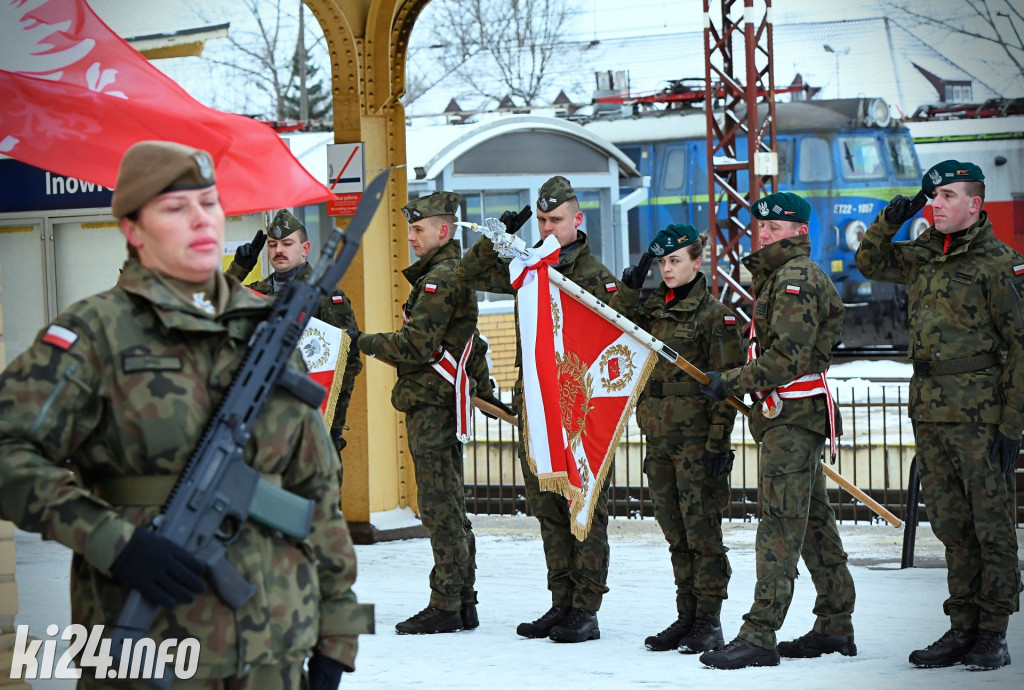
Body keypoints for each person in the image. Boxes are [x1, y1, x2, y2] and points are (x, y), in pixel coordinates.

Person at [0, 140, 372, 688]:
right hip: (148, 655)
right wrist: (112, 541)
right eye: (176, 208)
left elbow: (313, 489)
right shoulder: (95, 333)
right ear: (133, 228)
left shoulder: (267, 329)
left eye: (209, 203)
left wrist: (339, 634)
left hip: (275, 653)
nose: (201, 220)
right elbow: (9, 454)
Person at [856, 160, 1023, 671]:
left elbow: (1019, 347)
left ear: (976, 204)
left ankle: (993, 632)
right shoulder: (924, 255)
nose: (937, 204)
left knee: (990, 527)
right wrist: (891, 218)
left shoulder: (1000, 263)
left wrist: (1012, 425)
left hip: (981, 416)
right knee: (951, 527)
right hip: (929, 412)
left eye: (949, 195)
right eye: (933, 196)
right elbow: (868, 262)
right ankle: (962, 626)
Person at [456, 175, 619, 643]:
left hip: (578, 414)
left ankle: (585, 609)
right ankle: (561, 602)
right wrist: (495, 242)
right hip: (538, 411)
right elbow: (468, 276)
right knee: (547, 509)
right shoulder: (529, 267)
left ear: (577, 219)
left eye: (556, 220)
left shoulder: (595, 278)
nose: (548, 229)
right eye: (542, 221)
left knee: (583, 509)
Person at [697, 191, 856, 669]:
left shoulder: (794, 279)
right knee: (813, 524)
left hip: (793, 414)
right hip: (789, 415)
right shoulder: (779, 275)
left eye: (776, 228)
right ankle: (834, 622)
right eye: (761, 226)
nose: (764, 234)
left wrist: (733, 381)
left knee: (779, 524)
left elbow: (788, 357)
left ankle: (760, 632)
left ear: (799, 231)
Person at [349, 191, 482, 635]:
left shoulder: (440, 279)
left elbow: (415, 347)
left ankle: (447, 603)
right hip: (439, 401)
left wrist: (361, 340)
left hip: (432, 403)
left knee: (438, 506)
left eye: (418, 229)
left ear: (443, 231)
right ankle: (462, 600)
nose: (410, 238)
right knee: (449, 503)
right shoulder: (446, 273)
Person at [612, 224, 743, 654]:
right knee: (675, 533)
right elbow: (614, 324)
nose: (667, 269)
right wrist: (631, 288)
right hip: (660, 440)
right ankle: (686, 614)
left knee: (702, 533)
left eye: (675, 261)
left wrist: (718, 446)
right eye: (662, 262)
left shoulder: (714, 316)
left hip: (696, 443)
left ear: (696, 262)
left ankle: (709, 619)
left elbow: (727, 389)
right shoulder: (651, 310)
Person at [227, 210, 363, 453]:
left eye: (287, 243)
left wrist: (332, 426)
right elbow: (215, 307)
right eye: (272, 244)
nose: (279, 250)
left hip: (308, 418)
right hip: (261, 417)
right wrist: (238, 270)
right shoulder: (257, 292)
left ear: (305, 248)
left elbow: (345, 364)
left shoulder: (325, 294)